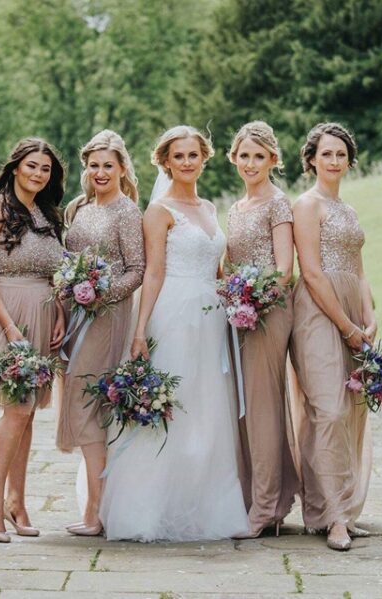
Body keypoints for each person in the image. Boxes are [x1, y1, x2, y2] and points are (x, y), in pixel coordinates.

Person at [99, 125, 249, 541]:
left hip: (211, 317)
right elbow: (154, 271)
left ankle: (205, 509)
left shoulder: (211, 208)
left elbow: (219, 269)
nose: (186, 162)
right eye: (178, 156)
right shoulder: (159, 211)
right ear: (166, 162)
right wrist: (140, 330)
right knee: (174, 404)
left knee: (207, 410)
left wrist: (239, 294)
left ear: (204, 158)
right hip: (174, 312)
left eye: (193, 155)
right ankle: (146, 510)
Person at [0, 137, 66, 542]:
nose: (38, 174)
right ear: (15, 168)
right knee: (17, 410)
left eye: (45, 169)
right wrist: (9, 327)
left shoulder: (45, 213)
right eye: (31, 166)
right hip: (5, 316)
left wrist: (59, 310)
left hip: (42, 317)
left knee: (27, 414)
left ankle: (17, 501)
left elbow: (55, 271)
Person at [289, 122, 376, 551]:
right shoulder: (306, 205)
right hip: (317, 312)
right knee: (328, 408)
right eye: (327, 154)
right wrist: (345, 325)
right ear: (311, 160)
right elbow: (310, 271)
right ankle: (331, 516)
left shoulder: (350, 210)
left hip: (353, 310)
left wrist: (370, 315)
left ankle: (343, 505)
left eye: (341, 154)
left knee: (352, 409)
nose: (335, 161)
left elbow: (358, 269)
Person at [56, 130, 145, 536]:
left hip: (107, 318)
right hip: (76, 317)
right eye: (94, 165)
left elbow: (136, 269)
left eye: (108, 165)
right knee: (81, 404)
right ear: (86, 169)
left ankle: (95, 512)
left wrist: (103, 293)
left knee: (87, 406)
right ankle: (97, 505)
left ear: (122, 168)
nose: (101, 172)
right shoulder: (79, 208)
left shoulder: (127, 213)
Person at [225, 121, 299, 538]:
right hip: (238, 313)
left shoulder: (278, 204)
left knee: (263, 406)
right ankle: (253, 497)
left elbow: (284, 270)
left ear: (273, 159)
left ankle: (265, 509)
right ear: (234, 158)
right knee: (244, 410)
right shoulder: (236, 208)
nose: (250, 163)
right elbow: (230, 265)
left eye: (259, 156)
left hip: (268, 312)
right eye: (244, 155)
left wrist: (255, 300)